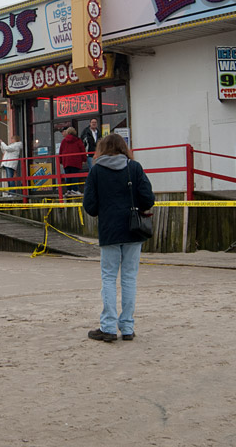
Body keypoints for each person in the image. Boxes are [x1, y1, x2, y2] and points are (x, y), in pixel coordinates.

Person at [83, 133, 155, 342]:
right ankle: (127, 327)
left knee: (108, 277)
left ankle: (107, 326)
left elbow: (90, 205)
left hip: (109, 229)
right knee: (129, 277)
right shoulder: (134, 167)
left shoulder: (96, 171)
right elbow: (148, 199)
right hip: (133, 229)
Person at [59, 127, 87, 196]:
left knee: (68, 175)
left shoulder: (64, 141)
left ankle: (68, 190)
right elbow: (82, 150)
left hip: (66, 161)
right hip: (75, 161)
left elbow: (61, 151)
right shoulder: (78, 140)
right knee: (75, 175)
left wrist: (60, 161)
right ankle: (74, 189)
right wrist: (84, 159)